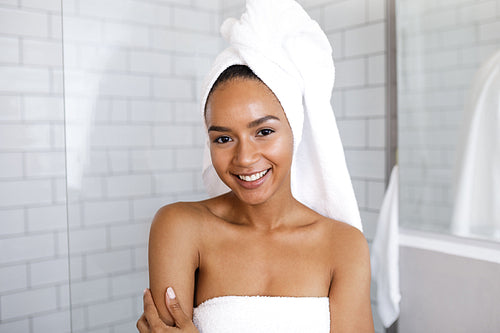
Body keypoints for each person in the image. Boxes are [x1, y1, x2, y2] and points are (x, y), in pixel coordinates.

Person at [137, 0, 374, 332]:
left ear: (295, 129)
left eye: (264, 131)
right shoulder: (180, 227)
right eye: (223, 138)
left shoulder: (343, 246)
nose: (245, 158)